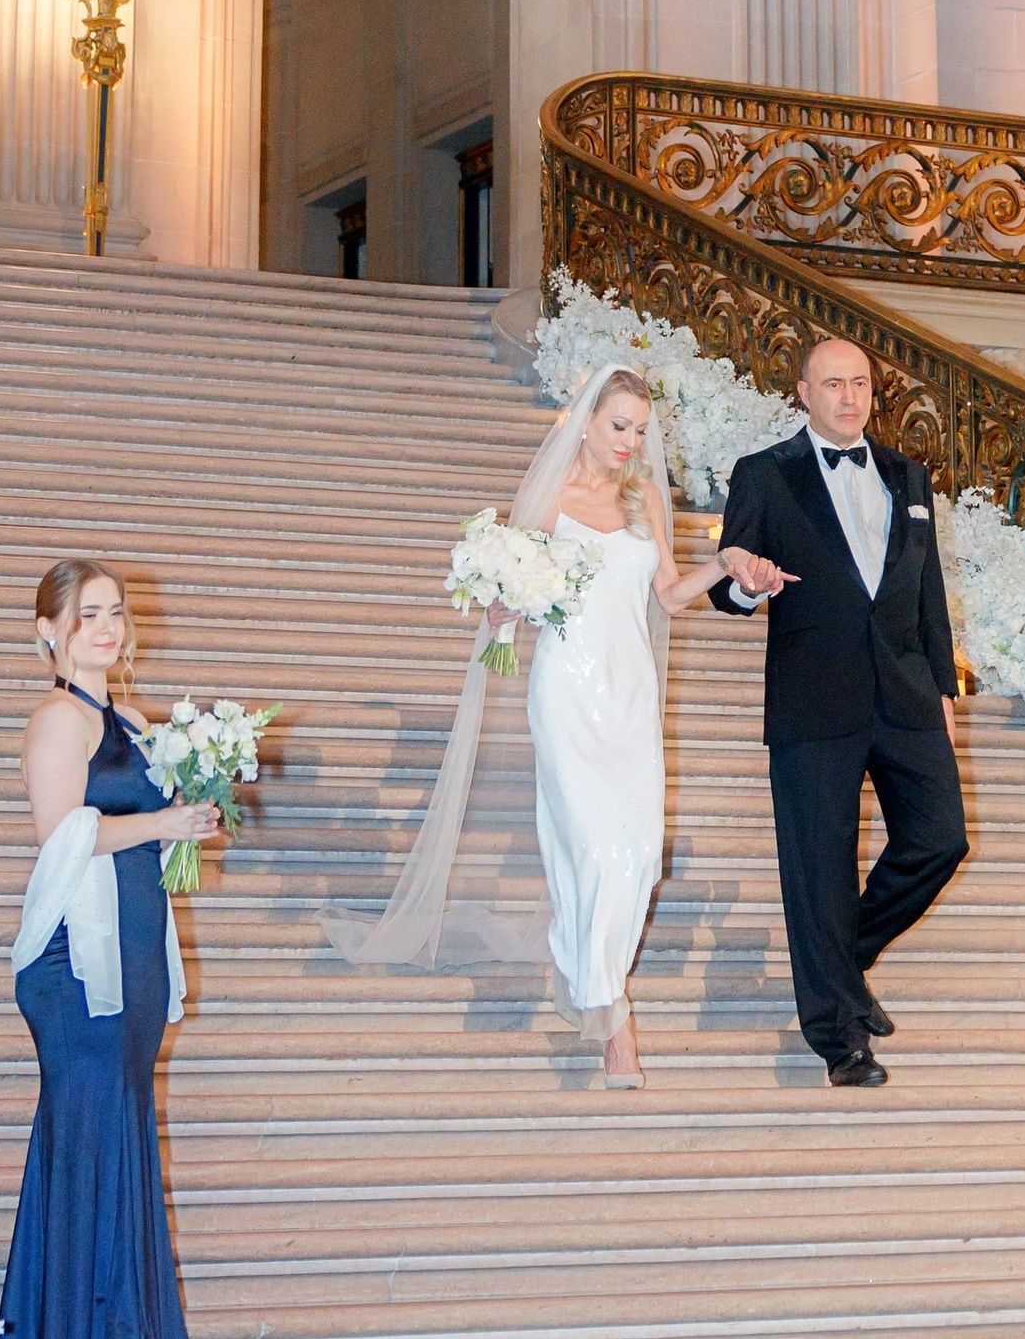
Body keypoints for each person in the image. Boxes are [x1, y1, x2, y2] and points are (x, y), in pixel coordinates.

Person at [329, 360, 765, 1089]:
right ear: (587, 422)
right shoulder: (549, 498)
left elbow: (668, 595)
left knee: (634, 859)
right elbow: (512, 591)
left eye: (640, 430)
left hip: (629, 695)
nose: (630, 442)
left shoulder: (644, 504)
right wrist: (502, 608)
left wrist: (725, 564)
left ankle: (582, 963)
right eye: (619, 426)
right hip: (565, 688)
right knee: (592, 848)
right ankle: (613, 1019)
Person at [717, 335, 968, 1088]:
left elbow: (928, 595)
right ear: (802, 392)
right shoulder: (764, 475)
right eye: (833, 384)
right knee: (818, 869)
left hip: (906, 694)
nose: (849, 397)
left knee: (940, 838)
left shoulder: (908, 475)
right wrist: (749, 582)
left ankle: (839, 962)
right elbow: (729, 582)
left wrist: (944, 694)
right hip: (812, 698)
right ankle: (839, 1037)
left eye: (860, 383)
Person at [0, 560, 213, 1339]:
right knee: (87, 1129)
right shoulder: (58, 719)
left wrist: (192, 811)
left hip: (133, 950)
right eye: (90, 616)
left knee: (115, 1126)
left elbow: (141, 832)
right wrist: (161, 820)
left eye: (117, 613)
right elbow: (62, 837)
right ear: (49, 630)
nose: (110, 628)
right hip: (74, 966)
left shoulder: (133, 717)